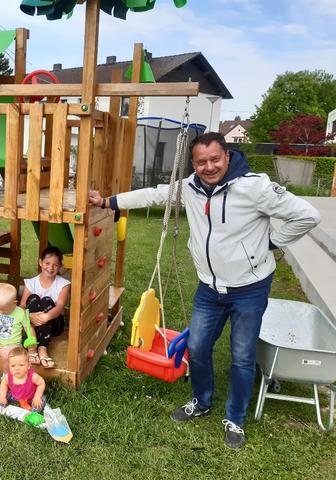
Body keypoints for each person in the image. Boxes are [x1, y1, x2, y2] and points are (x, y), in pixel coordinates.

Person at [88, 132, 320, 449]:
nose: (209, 167)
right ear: (194, 164)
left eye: (215, 159)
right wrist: (107, 202)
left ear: (227, 156)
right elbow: (153, 195)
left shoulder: (255, 187)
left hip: (249, 288)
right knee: (197, 348)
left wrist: (272, 243)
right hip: (209, 288)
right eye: (201, 162)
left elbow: (308, 215)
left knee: (241, 356)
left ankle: (235, 419)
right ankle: (201, 401)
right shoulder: (191, 189)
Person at [20, 246, 70, 369]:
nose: (51, 267)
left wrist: (46, 317)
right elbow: (21, 306)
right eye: (47, 263)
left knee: (46, 300)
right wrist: (30, 316)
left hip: (54, 324)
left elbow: (60, 306)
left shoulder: (64, 284)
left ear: (60, 266)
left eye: (55, 265)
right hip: (33, 324)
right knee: (33, 298)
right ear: (40, 262)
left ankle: (42, 349)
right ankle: (32, 348)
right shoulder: (31, 282)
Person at [0, 346, 46, 413]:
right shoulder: (9, 377)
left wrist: (37, 397)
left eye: (21, 365)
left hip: (31, 398)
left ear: (28, 365)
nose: (17, 368)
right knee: (2, 394)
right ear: (9, 366)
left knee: (40, 400)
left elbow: (41, 383)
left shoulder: (32, 376)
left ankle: (33, 413)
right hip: (14, 397)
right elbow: (4, 384)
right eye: (13, 365)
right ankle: (0, 408)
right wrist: (2, 396)